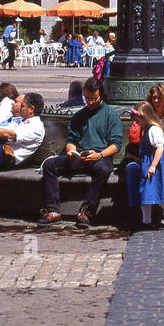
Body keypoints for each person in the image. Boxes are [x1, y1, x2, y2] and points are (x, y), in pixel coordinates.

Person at [39, 77, 124, 228]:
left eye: (94, 98)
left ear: (101, 95)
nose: (90, 102)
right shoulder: (79, 116)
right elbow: (71, 139)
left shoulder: (111, 115)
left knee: (103, 170)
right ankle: (53, 210)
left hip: (100, 157)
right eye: (87, 98)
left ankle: (86, 212)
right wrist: (71, 152)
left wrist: (100, 155)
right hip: (81, 156)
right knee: (49, 165)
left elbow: (116, 144)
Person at [125, 101, 164, 230]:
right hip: (149, 164)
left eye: (137, 120)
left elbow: (160, 148)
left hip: (155, 166)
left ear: (144, 117)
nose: (137, 123)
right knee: (146, 193)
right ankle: (146, 220)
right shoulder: (149, 129)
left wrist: (153, 166)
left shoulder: (154, 130)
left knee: (155, 193)